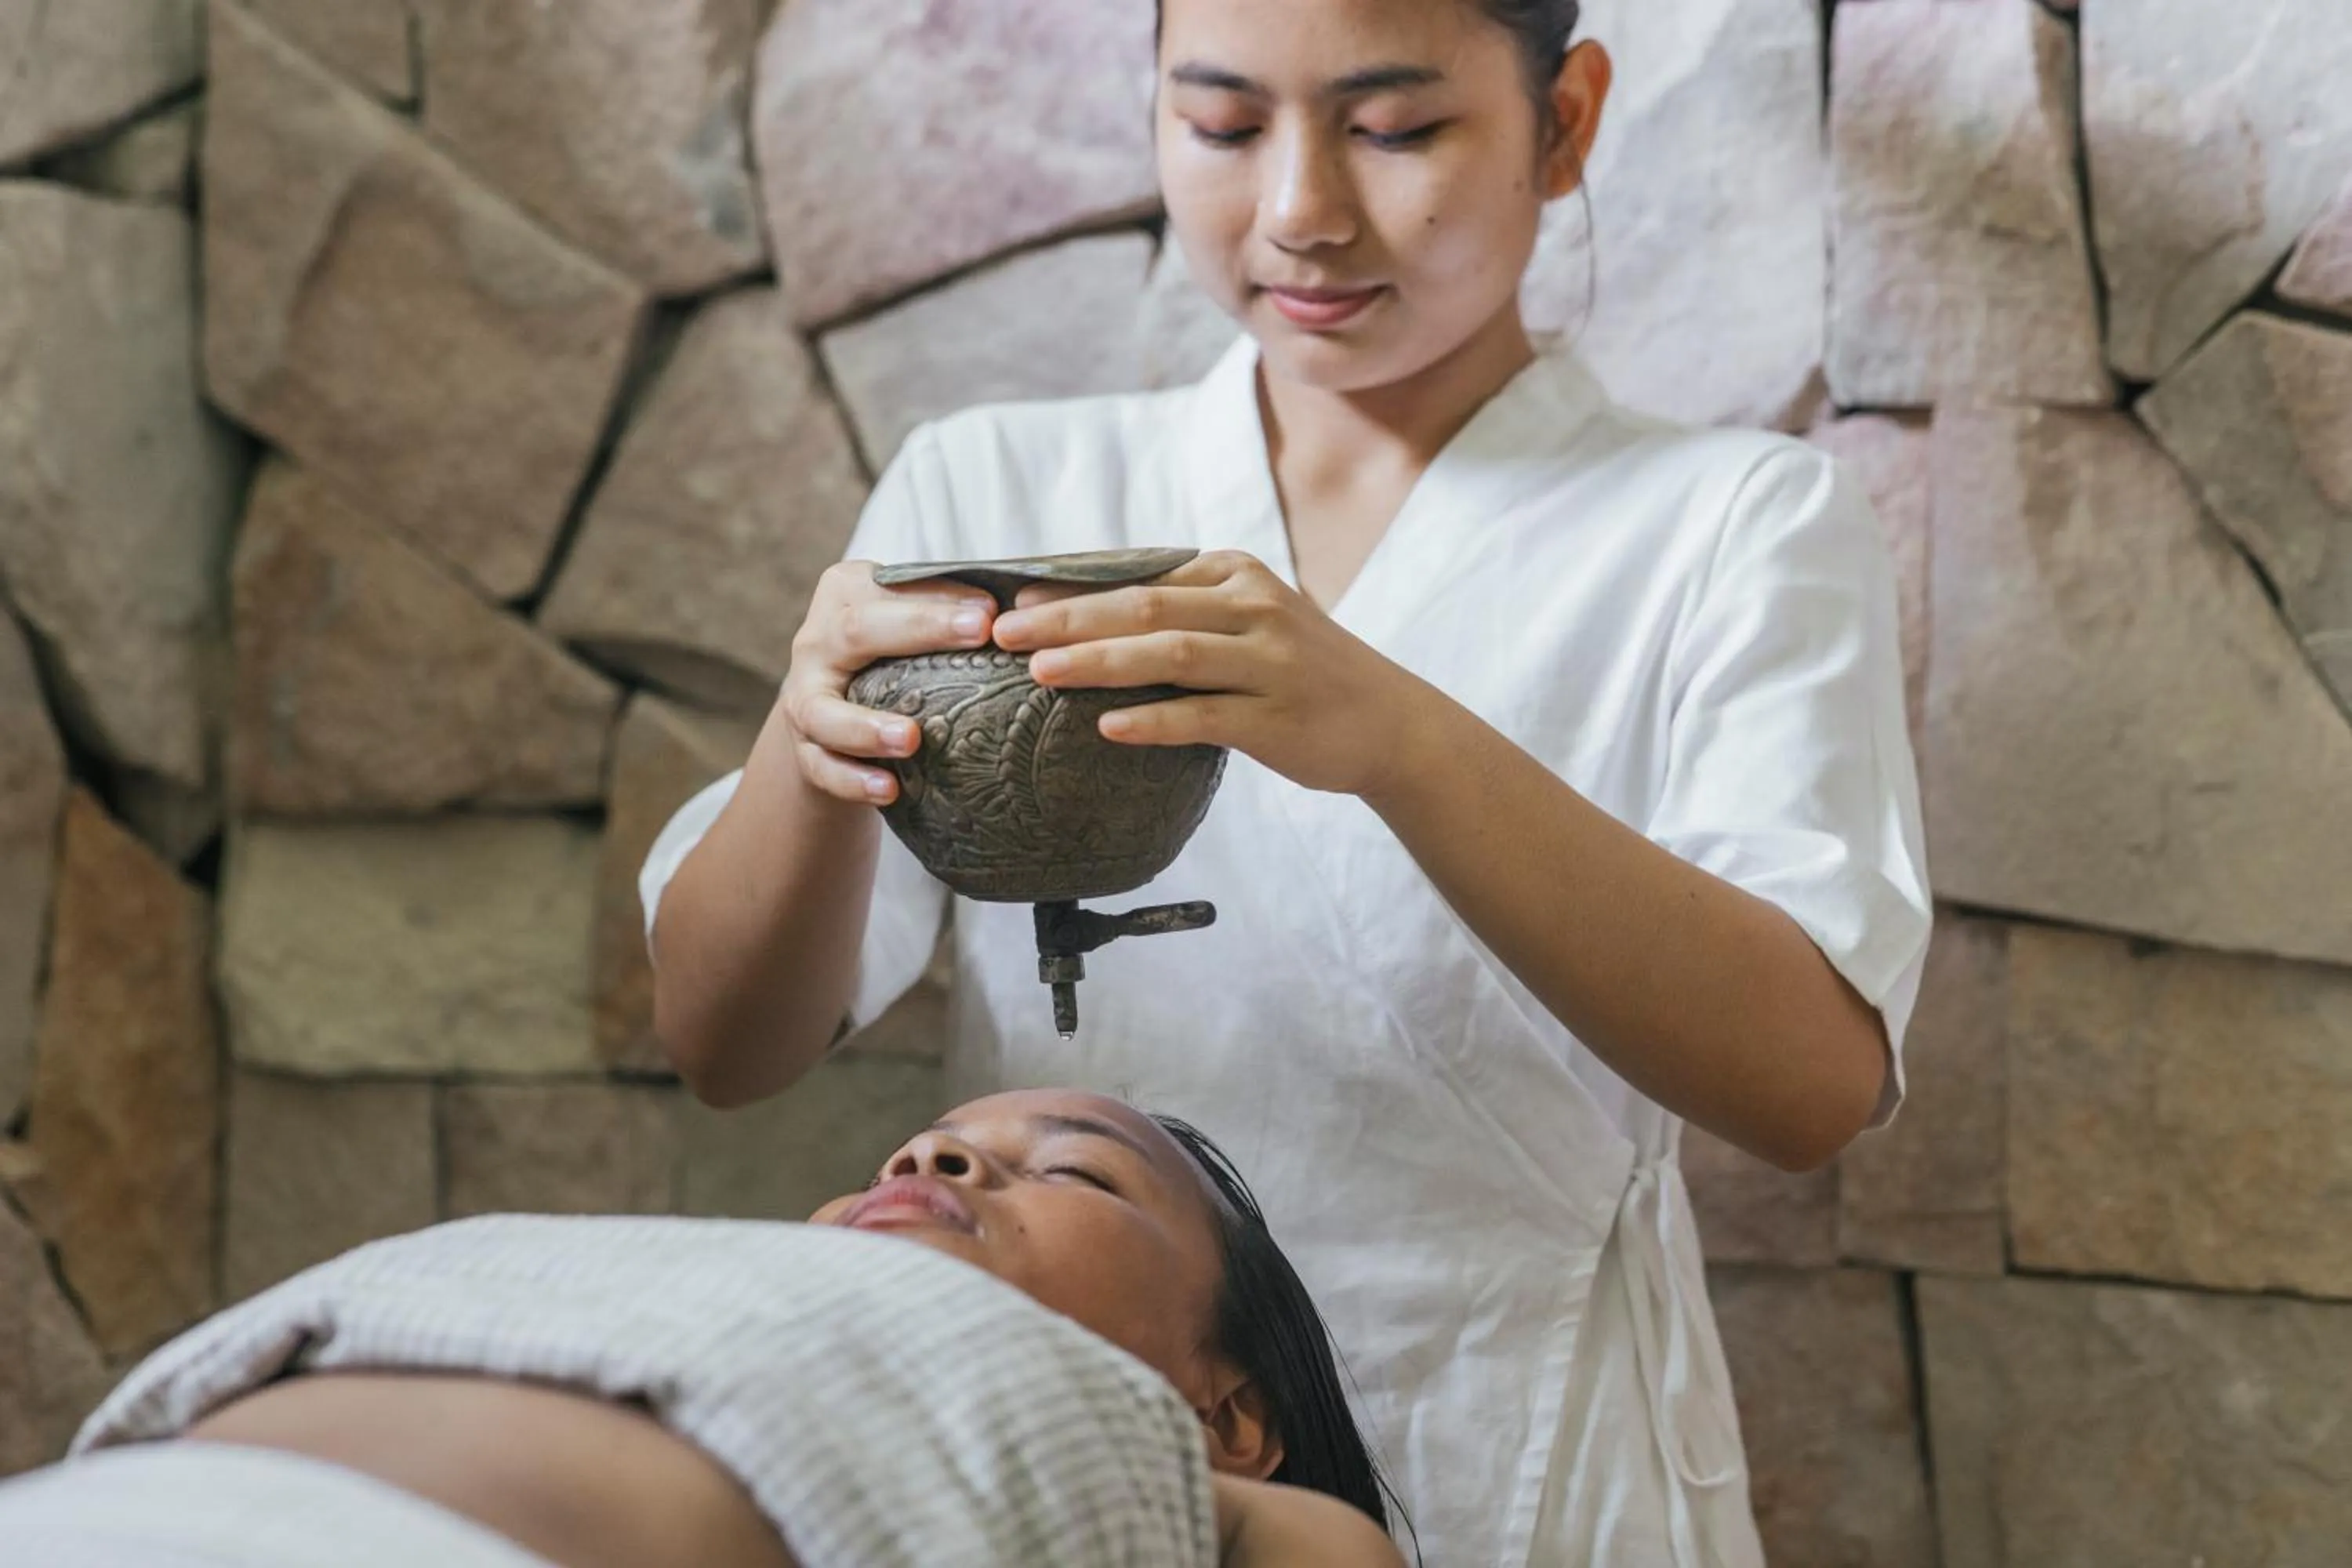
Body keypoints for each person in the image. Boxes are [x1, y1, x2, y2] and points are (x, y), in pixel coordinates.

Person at [643, 0, 1932, 1563]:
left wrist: (1395, 735)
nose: (1303, 214)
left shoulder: (1734, 522)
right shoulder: (1002, 491)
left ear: (1566, 124)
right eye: (1225, 126)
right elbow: (725, 1041)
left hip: (1526, 1451)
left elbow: (1807, 1083)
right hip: (1068, 1454)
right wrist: (806, 740)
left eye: (1395, 129)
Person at [0, 1091, 1405, 1568]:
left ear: (1227, 1420)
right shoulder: (644, 1280)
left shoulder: (1187, 1483)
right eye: (919, 1148)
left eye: (1079, 1168)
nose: (936, 1160)